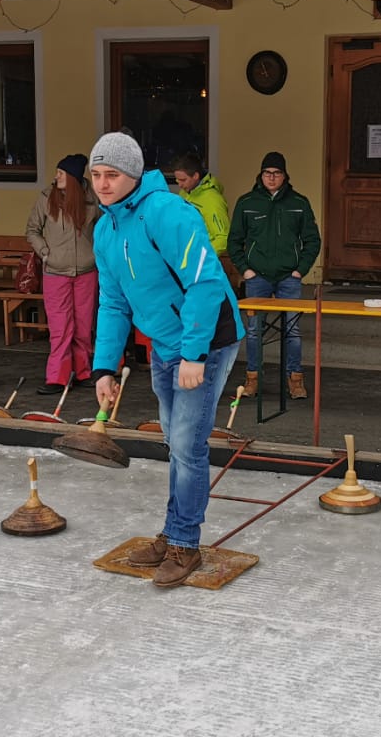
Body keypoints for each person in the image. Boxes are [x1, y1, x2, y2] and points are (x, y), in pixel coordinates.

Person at [87, 132, 245, 589]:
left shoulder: (169, 213)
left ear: (134, 174)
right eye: (96, 175)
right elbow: (113, 303)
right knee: (175, 442)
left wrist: (194, 354)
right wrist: (104, 367)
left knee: (188, 444)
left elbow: (204, 283)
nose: (103, 184)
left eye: (112, 175)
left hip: (207, 339)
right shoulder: (105, 229)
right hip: (164, 343)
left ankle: (184, 543)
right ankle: (174, 531)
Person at [227, 151, 320, 398]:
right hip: (257, 277)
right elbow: (234, 241)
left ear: (285, 176)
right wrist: (245, 270)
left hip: (289, 277)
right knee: (254, 330)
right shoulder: (247, 203)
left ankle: (295, 380)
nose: (271, 177)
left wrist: (300, 270)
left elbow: (313, 240)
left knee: (293, 331)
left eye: (277, 173)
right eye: (267, 173)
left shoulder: (299, 203)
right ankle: (252, 379)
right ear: (260, 175)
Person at [26, 153, 98, 395]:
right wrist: (45, 252)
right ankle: (57, 377)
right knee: (60, 328)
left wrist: (98, 254)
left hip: (87, 271)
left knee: (83, 326)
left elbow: (106, 228)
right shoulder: (47, 197)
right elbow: (32, 230)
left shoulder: (93, 199)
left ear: (74, 178)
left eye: (61, 173)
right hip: (55, 272)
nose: (56, 176)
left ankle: (83, 372)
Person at [172, 153, 231, 259]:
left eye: (183, 180)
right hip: (184, 256)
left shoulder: (213, 200)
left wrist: (200, 257)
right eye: (177, 180)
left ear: (195, 176)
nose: (179, 185)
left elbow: (223, 238)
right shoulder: (185, 193)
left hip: (201, 261)